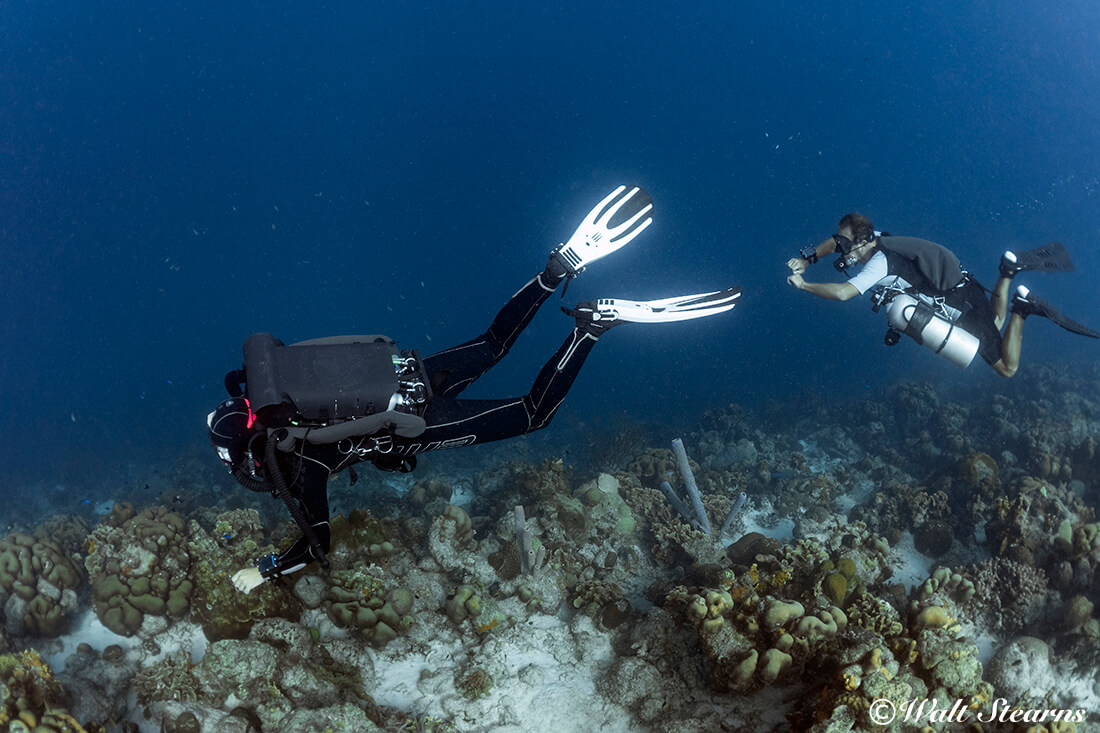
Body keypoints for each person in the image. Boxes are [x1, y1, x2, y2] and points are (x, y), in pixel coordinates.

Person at [207, 186, 741, 593]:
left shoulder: (300, 465)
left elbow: (316, 542)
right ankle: (556, 271)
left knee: (533, 414)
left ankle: (589, 328)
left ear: (250, 457)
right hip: (402, 369)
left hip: (417, 421)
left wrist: (267, 569)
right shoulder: (280, 387)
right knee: (492, 343)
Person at [785, 212, 1096, 376]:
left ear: (863, 241)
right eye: (840, 243)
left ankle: (1024, 308)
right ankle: (1008, 271)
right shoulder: (875, 239)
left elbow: (842, 294)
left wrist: (804, 285)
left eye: (845, 243)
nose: (841, 249)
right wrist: (810, 258)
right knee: (995, 320)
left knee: (1006, 368)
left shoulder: (879, 262)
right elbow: (834, 240)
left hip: (959, 302)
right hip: (961, 286)